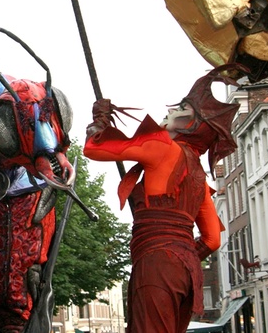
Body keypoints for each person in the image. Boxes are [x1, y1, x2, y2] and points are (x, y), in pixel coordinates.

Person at [83, 66, 242, 333]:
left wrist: (99, 119)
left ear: (193, 124)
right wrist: (183, 251)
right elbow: (213, 239)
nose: (170, 111)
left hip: (156, 264)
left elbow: (94, 148)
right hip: (186, 271)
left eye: (181, 108)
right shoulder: (199, 178)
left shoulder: (163, 147)